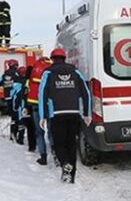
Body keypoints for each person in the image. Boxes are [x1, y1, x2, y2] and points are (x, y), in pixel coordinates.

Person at [38, 48, 92, 183]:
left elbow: (42, 94)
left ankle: (64, 163)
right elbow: (86, 93)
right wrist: (87, 113)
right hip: (74, 113)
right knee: (71, 144)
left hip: (57, 114)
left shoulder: (48, 72)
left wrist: (42, 116)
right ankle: (71, 176)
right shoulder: (75, 71)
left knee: (59, 144)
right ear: (64, 58)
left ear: (52, 59)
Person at [25, 56, 53, 164]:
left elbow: (27, 88)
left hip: (35, 103)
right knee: (51, 131)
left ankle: (43, 156)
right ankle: (56, 155)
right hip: (49, 104)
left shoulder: (33, 69)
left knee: (39, 132)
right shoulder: (51, 69)